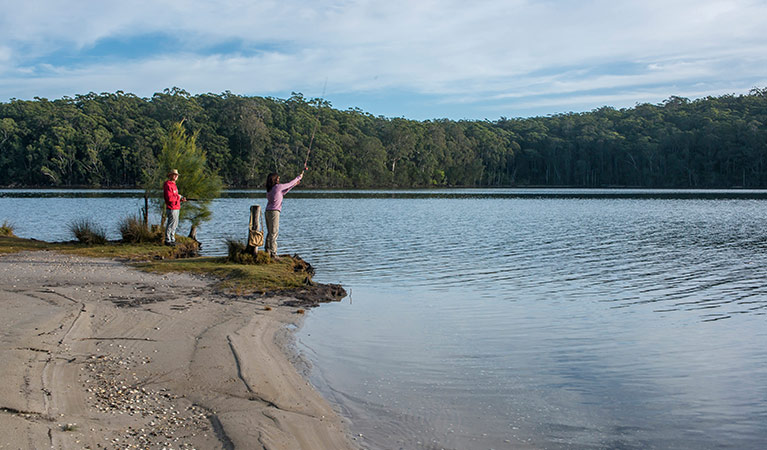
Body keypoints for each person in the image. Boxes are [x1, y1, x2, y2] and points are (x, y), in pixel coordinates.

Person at [265, 170, 304, 257]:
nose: (279, 178)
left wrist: (294, 184)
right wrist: (299, 177)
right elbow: (289, 184)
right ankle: (273, 253)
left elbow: (283, 192)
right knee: (274, 233)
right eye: (278, 178)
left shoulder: (270, 189)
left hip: (268, 211)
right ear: (275, 179)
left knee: (270, 233)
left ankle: (267, 251)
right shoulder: (278, 187)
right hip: (274, 212)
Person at [163, 169, 186, 246]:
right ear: (170, 176)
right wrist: (178, 198)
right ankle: (167, 240)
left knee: (175, 225)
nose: (176, 176)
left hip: (176, 207)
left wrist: (180, 198)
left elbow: (174, 196)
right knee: (171, 224)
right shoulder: (168, 185)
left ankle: (172, 239)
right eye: (174, 174)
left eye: (176, 175)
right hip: (171, 208)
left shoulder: (174, 185)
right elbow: (169, 198)